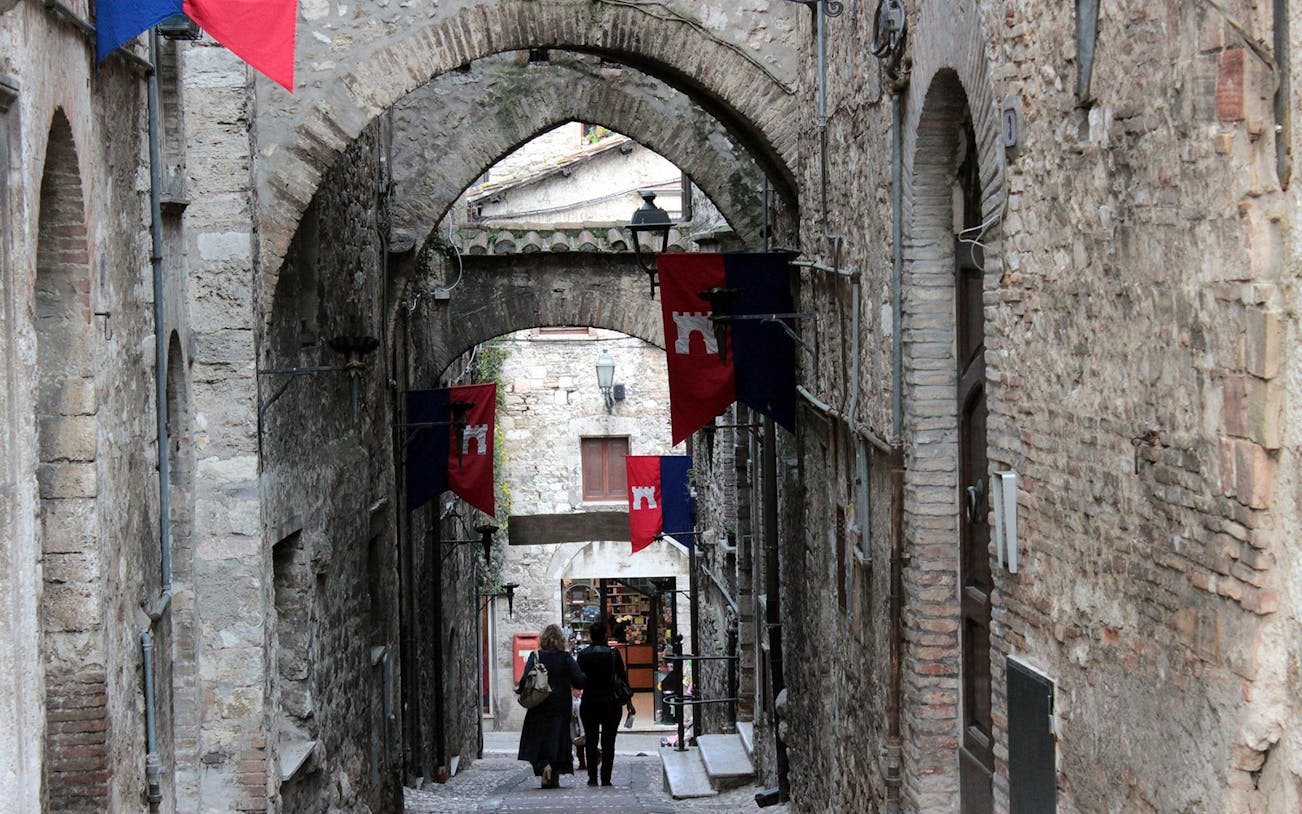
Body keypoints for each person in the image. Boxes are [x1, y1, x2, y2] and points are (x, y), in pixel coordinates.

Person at [517, 623, 587, 789]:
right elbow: (579, 680)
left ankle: (544, 766)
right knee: (558, 740)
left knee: (539, 738)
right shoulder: (565, 657)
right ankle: (553, 771)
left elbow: (524, 682)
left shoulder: (536, 656)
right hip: (560, 706)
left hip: (539, 705)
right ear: (561, 640)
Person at [576, 621, 636, 787]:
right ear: (604, 635)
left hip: (589, 701)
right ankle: (606, 777)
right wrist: (629, 702)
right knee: (609, 742)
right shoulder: (613, 654)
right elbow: (622, 679)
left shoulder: (583, 655)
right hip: (610, 701)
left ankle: (592, 777)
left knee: (591, 740)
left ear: (590, 636)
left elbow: (578, 680)